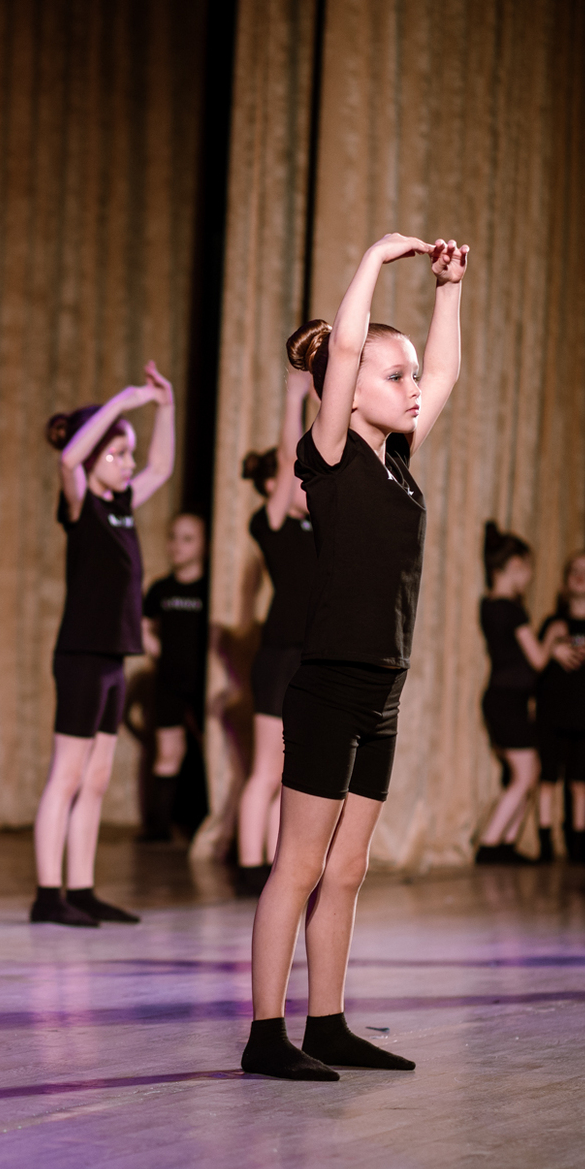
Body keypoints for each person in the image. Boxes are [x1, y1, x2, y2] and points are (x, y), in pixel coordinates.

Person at [242, 233, 468, 1080]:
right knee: (299, 865)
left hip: (384, 687)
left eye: (408, 377)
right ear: (349, 389)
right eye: (393, 376)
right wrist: (376, 257)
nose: (412, 388)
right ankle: (267, 1034)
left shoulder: (398, 463)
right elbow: (343, 349)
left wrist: (449, 289)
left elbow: (446, 373)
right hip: (330, 685)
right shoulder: (328, 457)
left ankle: (328, 1023)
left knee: (348, 867)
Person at [29, 363, 176, 927]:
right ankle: (49, 895)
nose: (129, 463)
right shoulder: (80, 505)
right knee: (67, 775)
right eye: (118, 454)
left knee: (95, 780)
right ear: (94, 458)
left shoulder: (121, 505)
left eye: (128, 454)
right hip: (81, 657)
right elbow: (69, 461)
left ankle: (83, 888)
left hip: (114, 657)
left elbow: (162, 466)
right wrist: (122, 402)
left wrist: (165, 406)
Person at [234, 368, 318, 896]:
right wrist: (295, 399)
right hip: (278, 656)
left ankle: (269, 866)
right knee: (266, 770)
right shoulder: (269, 524)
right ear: (273, 486)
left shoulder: (314, 527)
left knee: (288, 774)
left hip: (305, 656)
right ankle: (247, 867)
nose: (301, 484)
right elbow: (292, 456)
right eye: (291, 479)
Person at [473, 523, 569, 864]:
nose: (529, 578)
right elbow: (537, 660)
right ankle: (489, 846)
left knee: (527, 773)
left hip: (500, 699)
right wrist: (554, 635)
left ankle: (505, 845)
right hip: (508, 701)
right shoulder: (513, 610)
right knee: (525, 775)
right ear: (514, 566)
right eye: (527, 570)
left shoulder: (488, 606)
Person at [534, 552, 585, 875]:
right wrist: (554, 647)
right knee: (548, 779)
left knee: (581, 783)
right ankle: (545, 847)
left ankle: (578, 848)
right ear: (565, 583)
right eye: (574, 570)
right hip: (552, 714)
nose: (580, 575)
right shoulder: (554, 623)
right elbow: (537, 663)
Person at [140, 513, 208, 843]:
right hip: (169, 683)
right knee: (168, 753)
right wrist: (158, 652)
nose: (177, 546)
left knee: (209, 751)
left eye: (187, 538)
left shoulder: (210, 589)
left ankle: (204, 824)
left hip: (204, 684)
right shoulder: (160, 589)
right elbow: (142, 626)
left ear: (204, 545)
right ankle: (159, 829)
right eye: (173, 537)